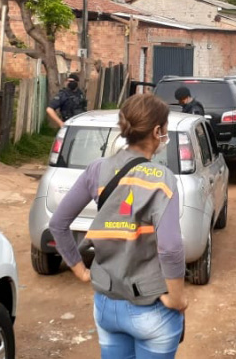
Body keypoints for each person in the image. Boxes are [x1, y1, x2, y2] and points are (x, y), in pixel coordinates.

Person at [49, 93, 187, 358]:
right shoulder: (162, 178)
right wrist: (177, 298)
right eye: (165, 127)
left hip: (107, 304)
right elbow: (170, 247)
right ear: (157, 131)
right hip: (151, 307)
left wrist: (80, 270)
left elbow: (58, 224)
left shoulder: (97, 169)